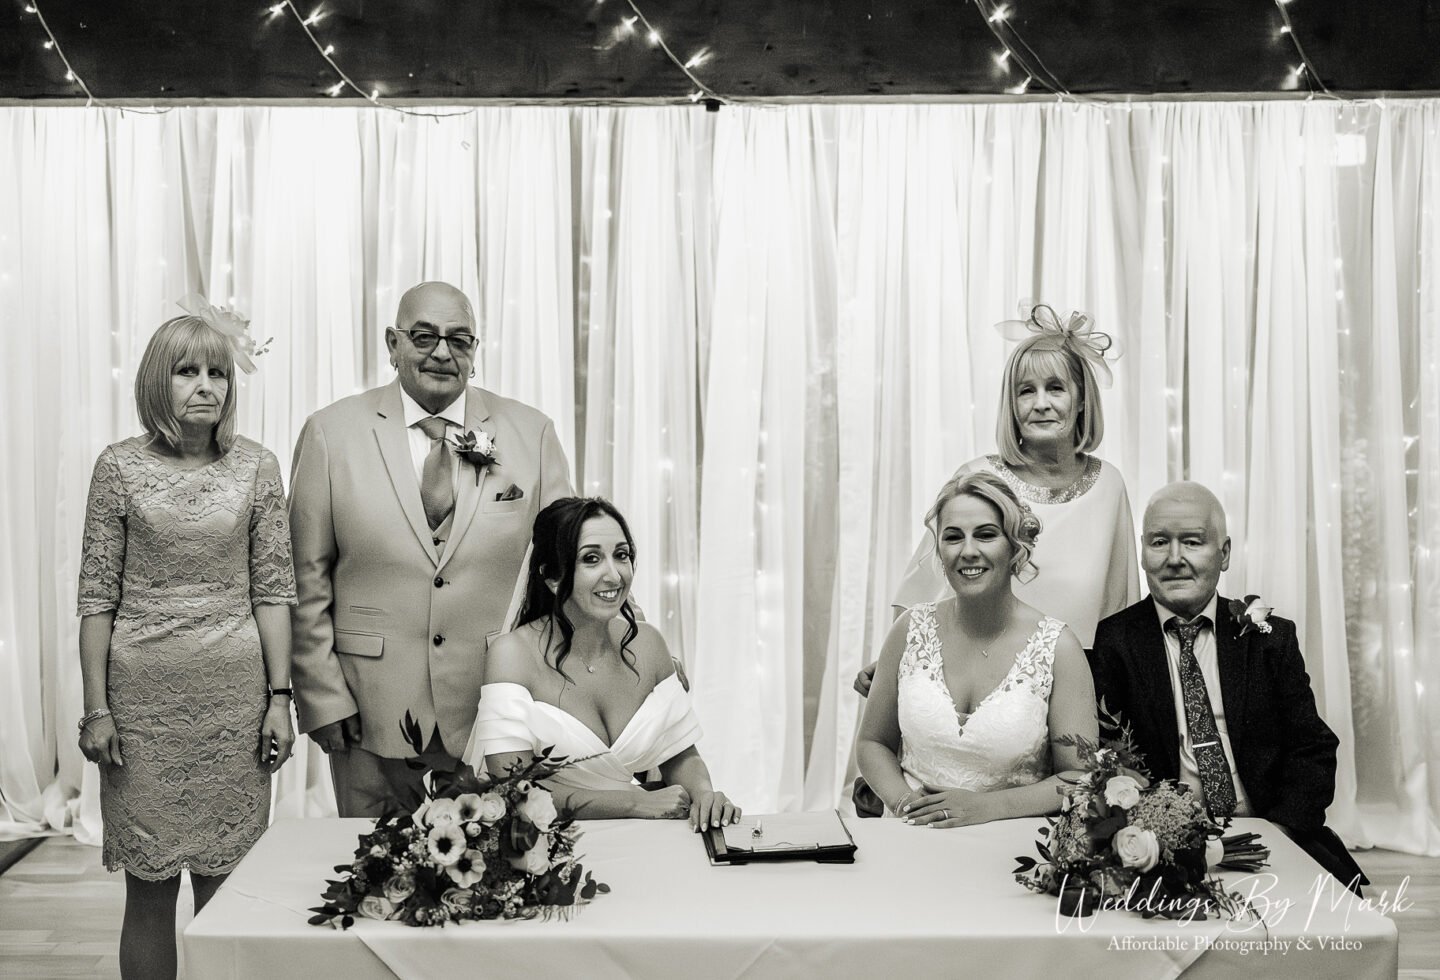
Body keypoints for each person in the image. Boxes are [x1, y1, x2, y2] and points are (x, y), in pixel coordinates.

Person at [289, 281, 573, 817]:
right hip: (366, 709)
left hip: (496, 708)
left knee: (498, 863)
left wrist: (627, 644)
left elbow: (568, 562)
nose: (442, 352)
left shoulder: (531, 433)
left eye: (459, 340)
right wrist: (322, 696)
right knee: (373, 863)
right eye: (424, 337)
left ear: (475, 352)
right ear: (393, 344)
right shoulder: (331, 434)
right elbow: (306, 578)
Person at [77, 307, 296, 980]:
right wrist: (96, 710)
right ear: (156, 381)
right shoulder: (118, 468)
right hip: (141, 710)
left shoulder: (258, 467)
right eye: (186, 371)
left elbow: (273, 590)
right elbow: (96, 598)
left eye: (218, 373)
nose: (206, 386)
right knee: (148, 892)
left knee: (228, 893)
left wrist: (279, 699)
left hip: (234, 705)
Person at [1089, 481, 1369, 894]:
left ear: (1224, 554)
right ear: (1143, 552)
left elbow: (1312, 749)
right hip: (1166, 847)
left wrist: (1280, 831)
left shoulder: (1270, 638)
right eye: (1159, 542)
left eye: (1192, 542)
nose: (1174, 559)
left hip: (1272, 831)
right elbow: (1105, 756)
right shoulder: (1116, 641)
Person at [854, 304, 1137, 698]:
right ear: (1011, 405)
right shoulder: (978, 477)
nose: (1041, 403)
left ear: (1081, 400)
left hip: (1078, 684)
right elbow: (920, 590)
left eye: (1055, 388)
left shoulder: (1109, 485)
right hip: (974, 676)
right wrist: (891, 663)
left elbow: (1122, 608)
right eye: (1026, 391)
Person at [463, 497, 738, 831]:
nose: (615, 574)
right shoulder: (512, 655)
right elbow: (514, 789)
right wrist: (635, 802)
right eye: (591, 559)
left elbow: (680, 754)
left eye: (621, 555)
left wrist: (705, 795)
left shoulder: (649, 644)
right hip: (553, 847)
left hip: (646, 839)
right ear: (552, 576)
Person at [855, 472, 1097, 826]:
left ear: (1014, 546)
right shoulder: (908, 629)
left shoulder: (1059, 648)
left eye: (986, 534)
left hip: (1011, 843)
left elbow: (1079, 778)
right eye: (953, 537)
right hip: (910, 836)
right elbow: (872, 743)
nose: (968, 551)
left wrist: (989, 807)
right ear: (940, 550)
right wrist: (905, 804)